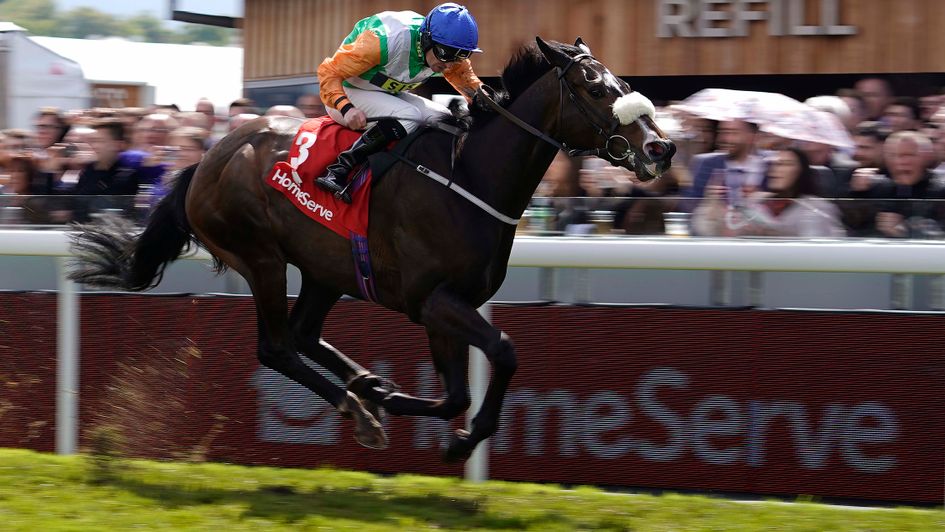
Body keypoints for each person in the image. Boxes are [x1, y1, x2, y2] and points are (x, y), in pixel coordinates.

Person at [314, 3, 484, 203]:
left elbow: (470, 85)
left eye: (460, 56)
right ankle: (339, 170)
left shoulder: (448, 52)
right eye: (445, 54)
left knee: (444, 119)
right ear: (427, 39)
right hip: (348, 91)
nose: (449, 64)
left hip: (387, 94)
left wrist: (491, 100)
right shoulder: (385, 40)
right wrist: (346, 108)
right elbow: (328, 72)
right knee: (410, 115)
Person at [691, 147, 846, 238]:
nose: (776, 169)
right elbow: (712, 232)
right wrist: (711, 202)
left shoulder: (817, 208)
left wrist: (770, 229)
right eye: (775, 164)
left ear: (801, 172)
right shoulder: (755, 202)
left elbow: (816, 250)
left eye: (785, 164)